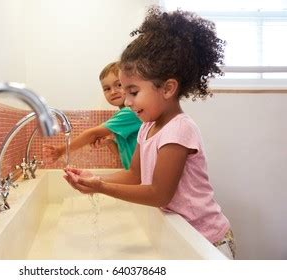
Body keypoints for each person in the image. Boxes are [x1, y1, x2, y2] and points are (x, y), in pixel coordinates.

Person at [63, 7, 236, 259]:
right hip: (181, 236)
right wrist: (94, 178)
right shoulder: (146, 127)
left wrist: (100, 186)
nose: (128, 101)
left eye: (134, 92)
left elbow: (159, 193)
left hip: (207, 241)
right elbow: (134, 175)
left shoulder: (179, 129)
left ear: (167, 88)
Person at [43, 62, 142, 170]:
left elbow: (92, 134)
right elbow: (123, 157)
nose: (113, 92)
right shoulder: (127, 114)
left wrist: (61, 150)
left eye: (119, 85)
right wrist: (109, 142)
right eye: (107, 88)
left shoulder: (130, 112)